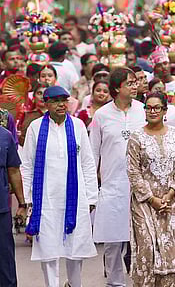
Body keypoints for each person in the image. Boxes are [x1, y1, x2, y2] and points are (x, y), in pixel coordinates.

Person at [22, 86, 98, 287]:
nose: (61, 104)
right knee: (48, 250)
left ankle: (75, 284)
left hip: (75, 197)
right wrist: (28, 199)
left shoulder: (78, 126)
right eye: (55, 101)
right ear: (46, 104)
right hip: (45, 199)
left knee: (75, 249)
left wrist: (91, 197)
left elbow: (88, 163)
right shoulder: (36, 128)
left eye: (64, 100)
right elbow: (27, 165)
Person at [90, 67, 146, 286]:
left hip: (141, 186)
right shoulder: (102, 115)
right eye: (130, 83)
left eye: (135, 82)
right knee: (113, 241)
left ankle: (141, 280)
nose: (135, 86)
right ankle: (115, 282)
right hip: (112, 186)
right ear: (116, 88)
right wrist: (91, 189)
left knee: (142, 238)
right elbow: (93, 154)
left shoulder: (143, 111)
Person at [126, 92, 175, 287]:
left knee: (167, 248)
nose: (152, 111)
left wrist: (169, 195)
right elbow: (133, 172)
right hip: (144, 203)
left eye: (156, 107)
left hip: (169, 202)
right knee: (147, 247)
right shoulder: (136, 137)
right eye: (148, 108)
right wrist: (152, 199)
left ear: (164, 111)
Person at [0, 126, 26, 287]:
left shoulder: (5, 136)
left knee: (5, 261)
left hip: (1, 210)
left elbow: (14, 171)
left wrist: (22, 204)